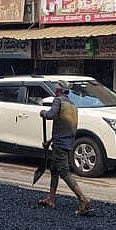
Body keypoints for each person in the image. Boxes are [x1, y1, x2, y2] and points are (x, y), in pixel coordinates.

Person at [38, 80, 92, 216]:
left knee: (64, 172)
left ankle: (83, 199)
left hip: (60, 144)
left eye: (56, 90)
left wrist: (43, 113)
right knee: (54, 170)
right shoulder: (73, 105)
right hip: (67, 143)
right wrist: (50, 141)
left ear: (58, 91)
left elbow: (50, 115)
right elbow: (65, 128)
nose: (55, 92)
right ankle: (51, 199)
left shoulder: (58, 101)